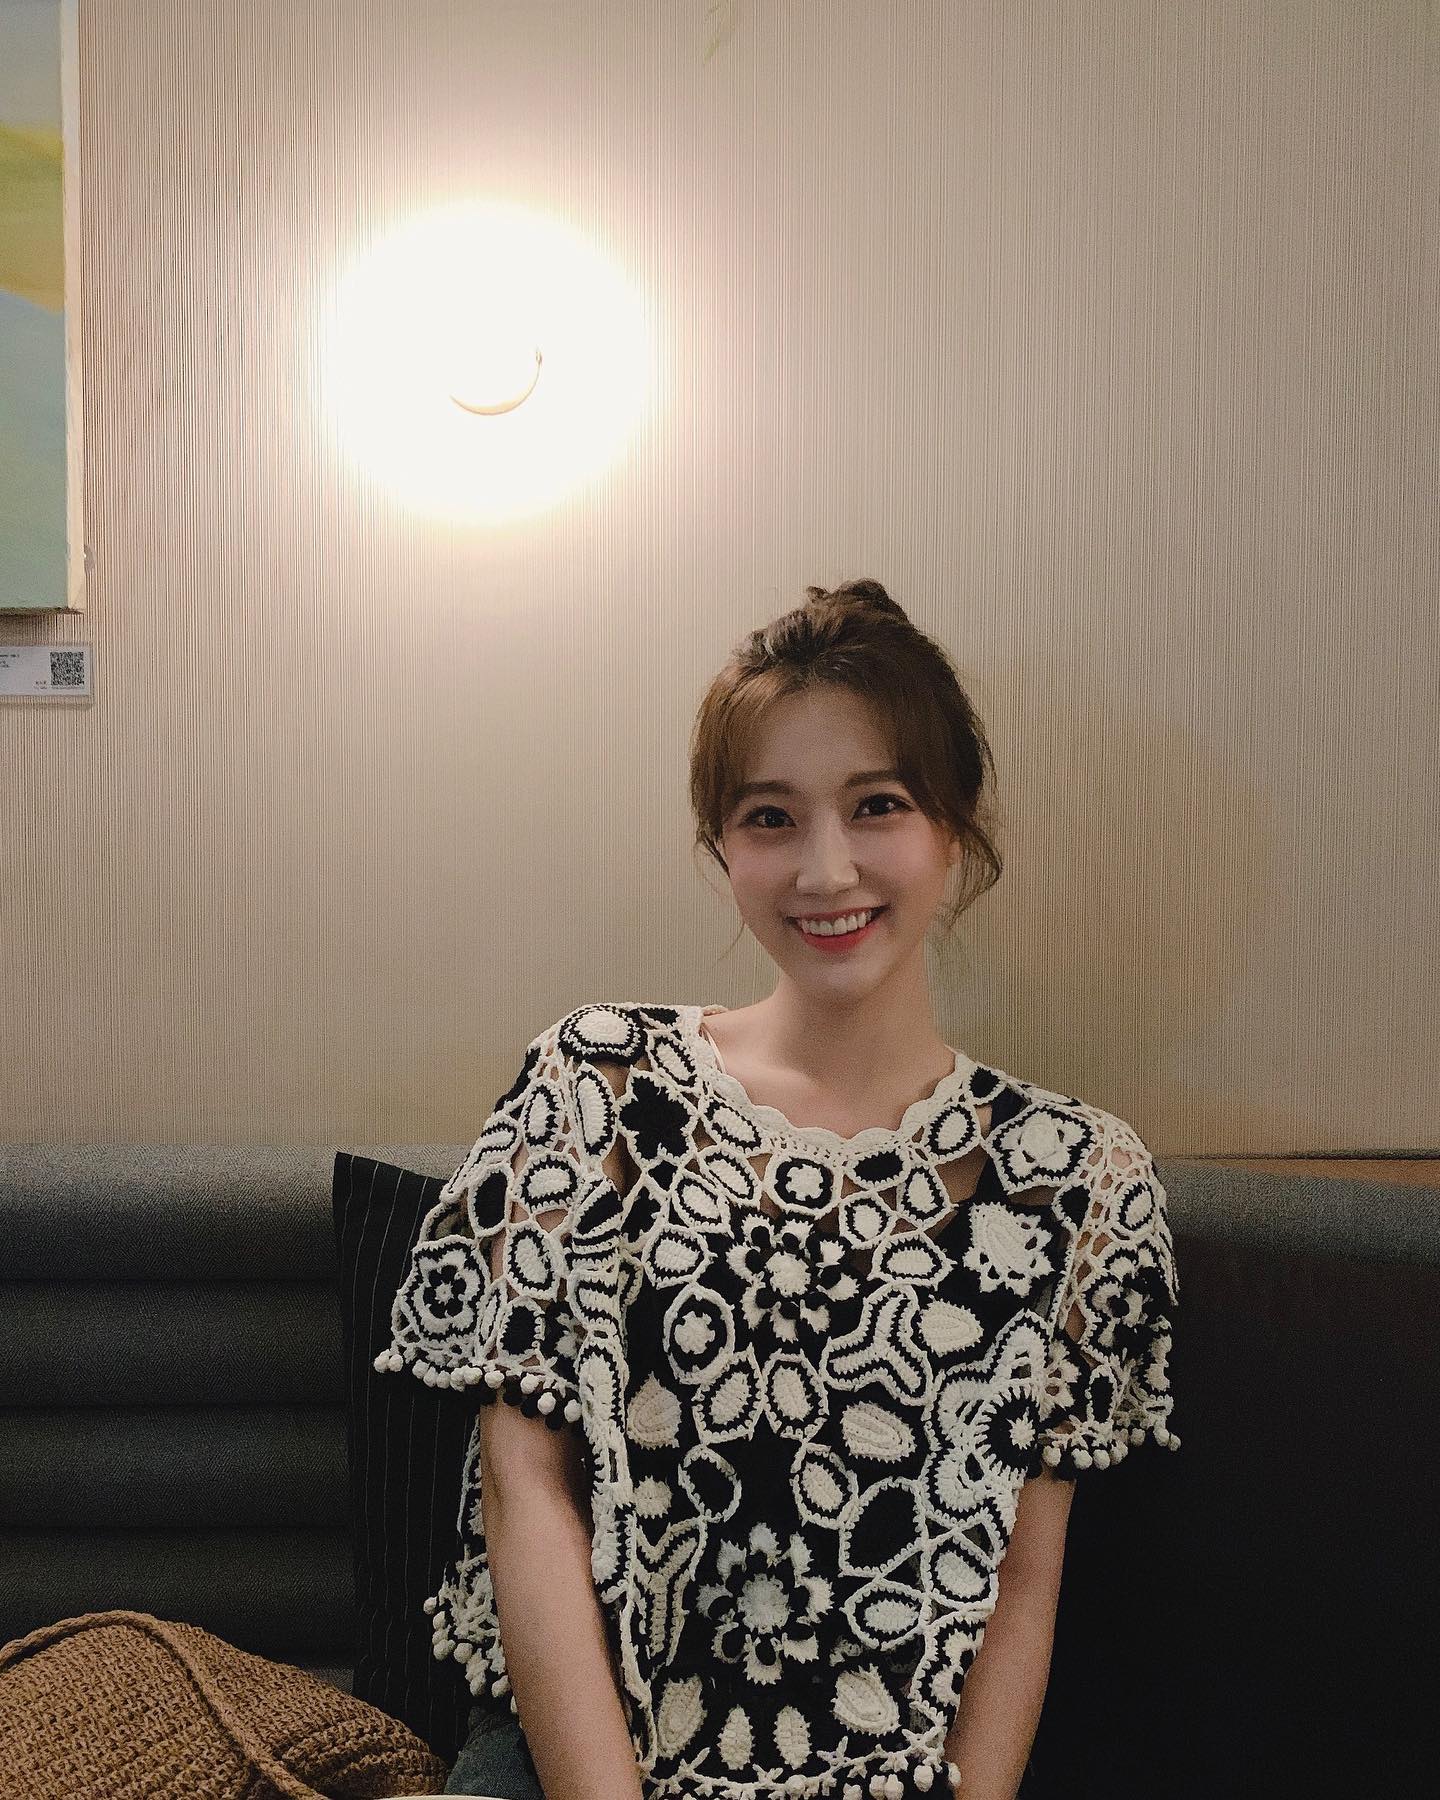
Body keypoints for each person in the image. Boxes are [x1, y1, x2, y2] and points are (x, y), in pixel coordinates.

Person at [376, 579, 1180, 1800]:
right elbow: (524, 1486)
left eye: (878, 805)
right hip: (577, 1761)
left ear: (953, 826)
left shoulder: (1076, 1180)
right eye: (770, 817)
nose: (826, 868)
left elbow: (1021, 1580)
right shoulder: (600, 1085)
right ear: (723, 847)